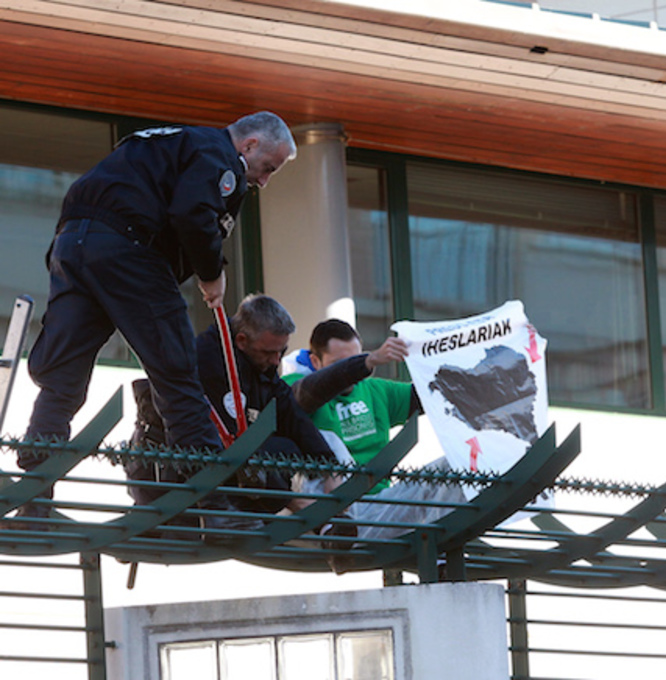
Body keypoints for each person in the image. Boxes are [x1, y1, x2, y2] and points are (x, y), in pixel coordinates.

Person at [11, 112, 297, 527]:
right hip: (130, 249)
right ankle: (211, 508)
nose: (264, 181)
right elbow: (193, 213)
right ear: (249, 144)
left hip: (72, 245)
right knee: (177, 372)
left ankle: (35, 496)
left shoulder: (164, 139)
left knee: (61, 374)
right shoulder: (217, 155)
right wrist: (212, 272)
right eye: (268, 167)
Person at [128, 295, 339, 533]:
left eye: (282, 351)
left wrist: (329, 467)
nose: (276, 361)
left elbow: (290, 413)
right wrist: (293, 500)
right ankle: (307, 515)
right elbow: (229, 444)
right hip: (175, 478)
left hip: (208, 471)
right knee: (264, 451)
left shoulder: (256, 362)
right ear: (241, 341)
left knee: (289, 446)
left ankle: (316, 516)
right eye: (269, 352)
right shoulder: (209, 363)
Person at [287, 319, 466, 559]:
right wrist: (365, 363)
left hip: (376, 508)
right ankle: (337, 527)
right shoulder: (295, 386)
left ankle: (442, 555)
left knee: (453, 466)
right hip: (324, 509)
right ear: (315, 361)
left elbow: (432, 393)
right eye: (340, 365)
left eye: (355, 360)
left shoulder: (376, 391)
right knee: (327, 438)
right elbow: (300, 397)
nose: (350, 375)